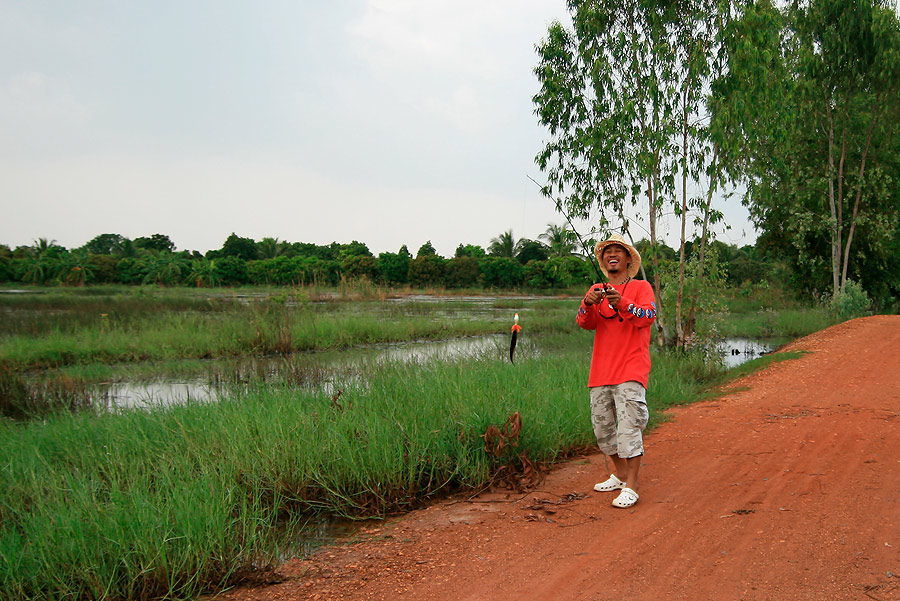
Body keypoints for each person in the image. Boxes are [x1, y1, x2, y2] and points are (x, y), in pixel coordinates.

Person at [576, 234, 657, 508]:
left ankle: (633, 486)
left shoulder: (641, 287)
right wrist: (588, 304)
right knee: (603, 430)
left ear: (627, 259)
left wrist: (621, 302)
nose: (612, 254)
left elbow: (648, 317)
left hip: (631, 369)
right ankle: (620, 475)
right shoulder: (596, 288)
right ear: (603, 259)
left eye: (618, 251)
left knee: (629, 428)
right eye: (607, 251)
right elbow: (584, 323)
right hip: (601, 371)